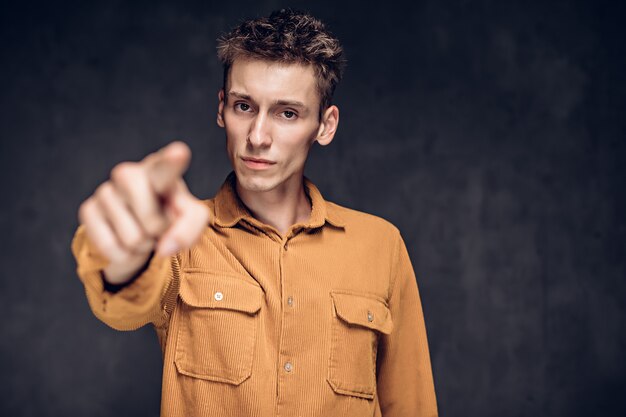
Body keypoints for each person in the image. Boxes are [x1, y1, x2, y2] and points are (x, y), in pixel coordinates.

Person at [71, 8, 438, 417]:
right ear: (221, 108)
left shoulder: (381, 245)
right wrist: (123, 257)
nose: (258, 137)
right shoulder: (181, 238)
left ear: (325, 125)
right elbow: (122, 305)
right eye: (244, 106)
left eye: (287, 113)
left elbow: (411, 405)